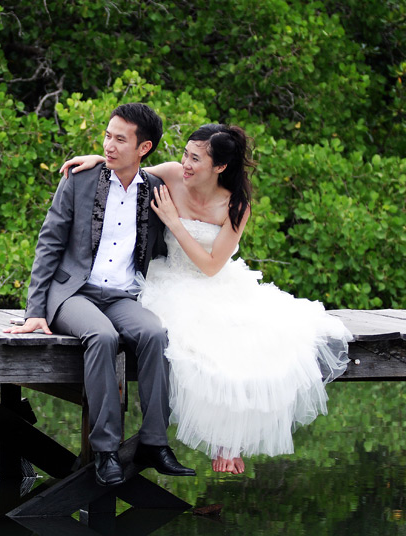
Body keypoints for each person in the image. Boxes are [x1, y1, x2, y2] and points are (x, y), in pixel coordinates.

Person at [60, 123, 352, 474]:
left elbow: (213, 266)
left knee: (248, 343)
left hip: (213, 280)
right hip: (169, 280)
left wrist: (174, 221)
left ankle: (227, 439)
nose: (184, 162)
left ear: (219, 167)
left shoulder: (236, 205)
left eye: (195, 158)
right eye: (185, 153)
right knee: (183, 340)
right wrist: (97, 158)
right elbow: (128, 172)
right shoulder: (170, 174)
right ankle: (170, 442)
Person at [3, 102, 195, 486]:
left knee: (156, 335)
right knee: (103, 336)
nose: (108, 145)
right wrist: (34, 310)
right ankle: (106, 450)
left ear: (144, 148)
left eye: (120, 139)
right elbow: (48, 245)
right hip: (73, 293)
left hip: (123, 296)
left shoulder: (156, 192)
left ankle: (155, 443)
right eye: (107, 136)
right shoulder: (79, 180)